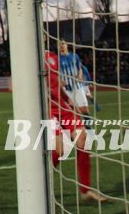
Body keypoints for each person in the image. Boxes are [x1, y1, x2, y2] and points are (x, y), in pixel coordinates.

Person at [45, 50, 107, 203]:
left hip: (62, 105)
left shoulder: (53, 57)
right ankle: (41, 181)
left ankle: (85, 191)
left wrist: (68, 100)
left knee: (83, 140)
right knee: (60, 149)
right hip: (47, 108)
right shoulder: (28, 57)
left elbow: (57, 83)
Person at [58, 41, 89, 122]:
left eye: (63, 43)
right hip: (66, 88)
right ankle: (79, 130)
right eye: (59, 44)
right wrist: (59, 80)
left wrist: (79, 75)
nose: (61, 45)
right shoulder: (57, 58)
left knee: (84, 109)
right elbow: (55, 72)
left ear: (67, 45)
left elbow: (80, 68)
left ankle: (90, 130)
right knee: (72, 111)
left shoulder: (74, 56)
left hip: (77, 85)